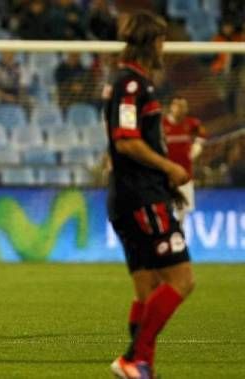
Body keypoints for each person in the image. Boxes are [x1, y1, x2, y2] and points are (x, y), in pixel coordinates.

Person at [103, 11, 195, 379]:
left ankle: (142, 367)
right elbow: (127, 141)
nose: (163, 49)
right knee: (181, 280)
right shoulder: (131, 85)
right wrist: (170, 169)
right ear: (148, 43)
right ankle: (133, 359)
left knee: (149, 289)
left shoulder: (130, 84)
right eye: (160, 42)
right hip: (141, 196)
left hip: (129, 196)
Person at [162, 97, 206, 223]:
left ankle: (180, 238)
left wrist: (197, 146)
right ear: (172, 107)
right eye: (178, 106)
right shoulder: (162, 124)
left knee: (182, 213)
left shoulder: (192, 123)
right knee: (165, 210)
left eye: (184, 107)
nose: (181, 110)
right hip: (166, 178)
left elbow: (202, 134)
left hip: (185, 177)